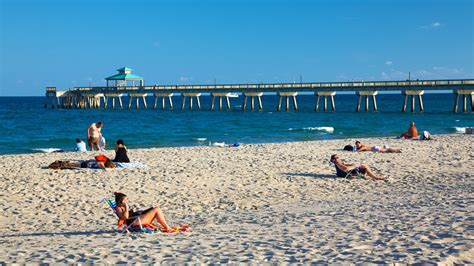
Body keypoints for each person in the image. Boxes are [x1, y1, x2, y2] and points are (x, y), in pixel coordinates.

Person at [48, 155, 116, 170]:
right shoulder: (102, 165)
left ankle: (63, 163)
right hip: (87, 165)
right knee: (75, 165)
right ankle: (63, 163)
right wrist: (105, 168)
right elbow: (101, 164)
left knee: (74, 164)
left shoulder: (103, 163)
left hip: (88, 163)